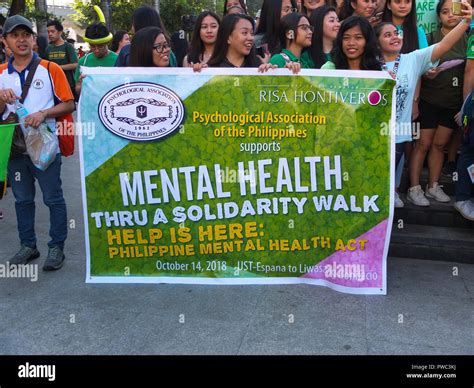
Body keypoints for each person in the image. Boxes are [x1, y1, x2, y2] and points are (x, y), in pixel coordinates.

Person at [374, 1, 472, 208]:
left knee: (393, 169)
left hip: (398, 131)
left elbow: (444, 46)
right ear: (375, 42)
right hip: (373, 131)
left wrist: (465, 22)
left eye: (397, 33)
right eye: (388, 34)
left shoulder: (412, 60)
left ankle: (392, 192)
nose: (395, 37)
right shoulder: (368, 64)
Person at [0, 15, 75, 269]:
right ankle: (28, 246)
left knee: (53, 197)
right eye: (15, 35)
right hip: (15, 148)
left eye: (26, 35)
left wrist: (43, 113)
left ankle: (56, 248)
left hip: (45, 146)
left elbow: (69, 102)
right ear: (5, 41)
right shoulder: (0, 73)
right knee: (22, 199)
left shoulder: (50, 69)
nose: (21, 40)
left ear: (33, 39)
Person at [409, 0, 468, 205]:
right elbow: (418, 71)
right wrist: (429, 74)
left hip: (453, 102)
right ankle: (414, 188)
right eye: (444, 12)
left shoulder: (468, 38)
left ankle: (433, 186)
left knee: (439, 145)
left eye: (453, 12)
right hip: (429, 99)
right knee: (423, 144)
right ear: (438, 16)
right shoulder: (430, 38)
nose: (450, 16)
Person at [207, 13, 276, 72]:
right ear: (228, 37)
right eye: (244, 33)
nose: (250, 38)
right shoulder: (211, 69)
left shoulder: (259, 68)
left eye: (252, 33)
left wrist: (270, 73)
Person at [74, 22, 117, 96]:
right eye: (92, 46)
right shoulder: (83, 61)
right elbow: (77, 90)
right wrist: (81, 83)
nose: (96, 50)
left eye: (100, 46)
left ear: (107, 43)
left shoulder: (118, 59)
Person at [45, 20, 78, 101]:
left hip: (68, 84)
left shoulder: (68, 46)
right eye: (48, 32)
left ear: (60, 32)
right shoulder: (48, 48)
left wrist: (57, 68)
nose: (50, 34)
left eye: (52, 31)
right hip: (53, 84)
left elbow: (75, 64)